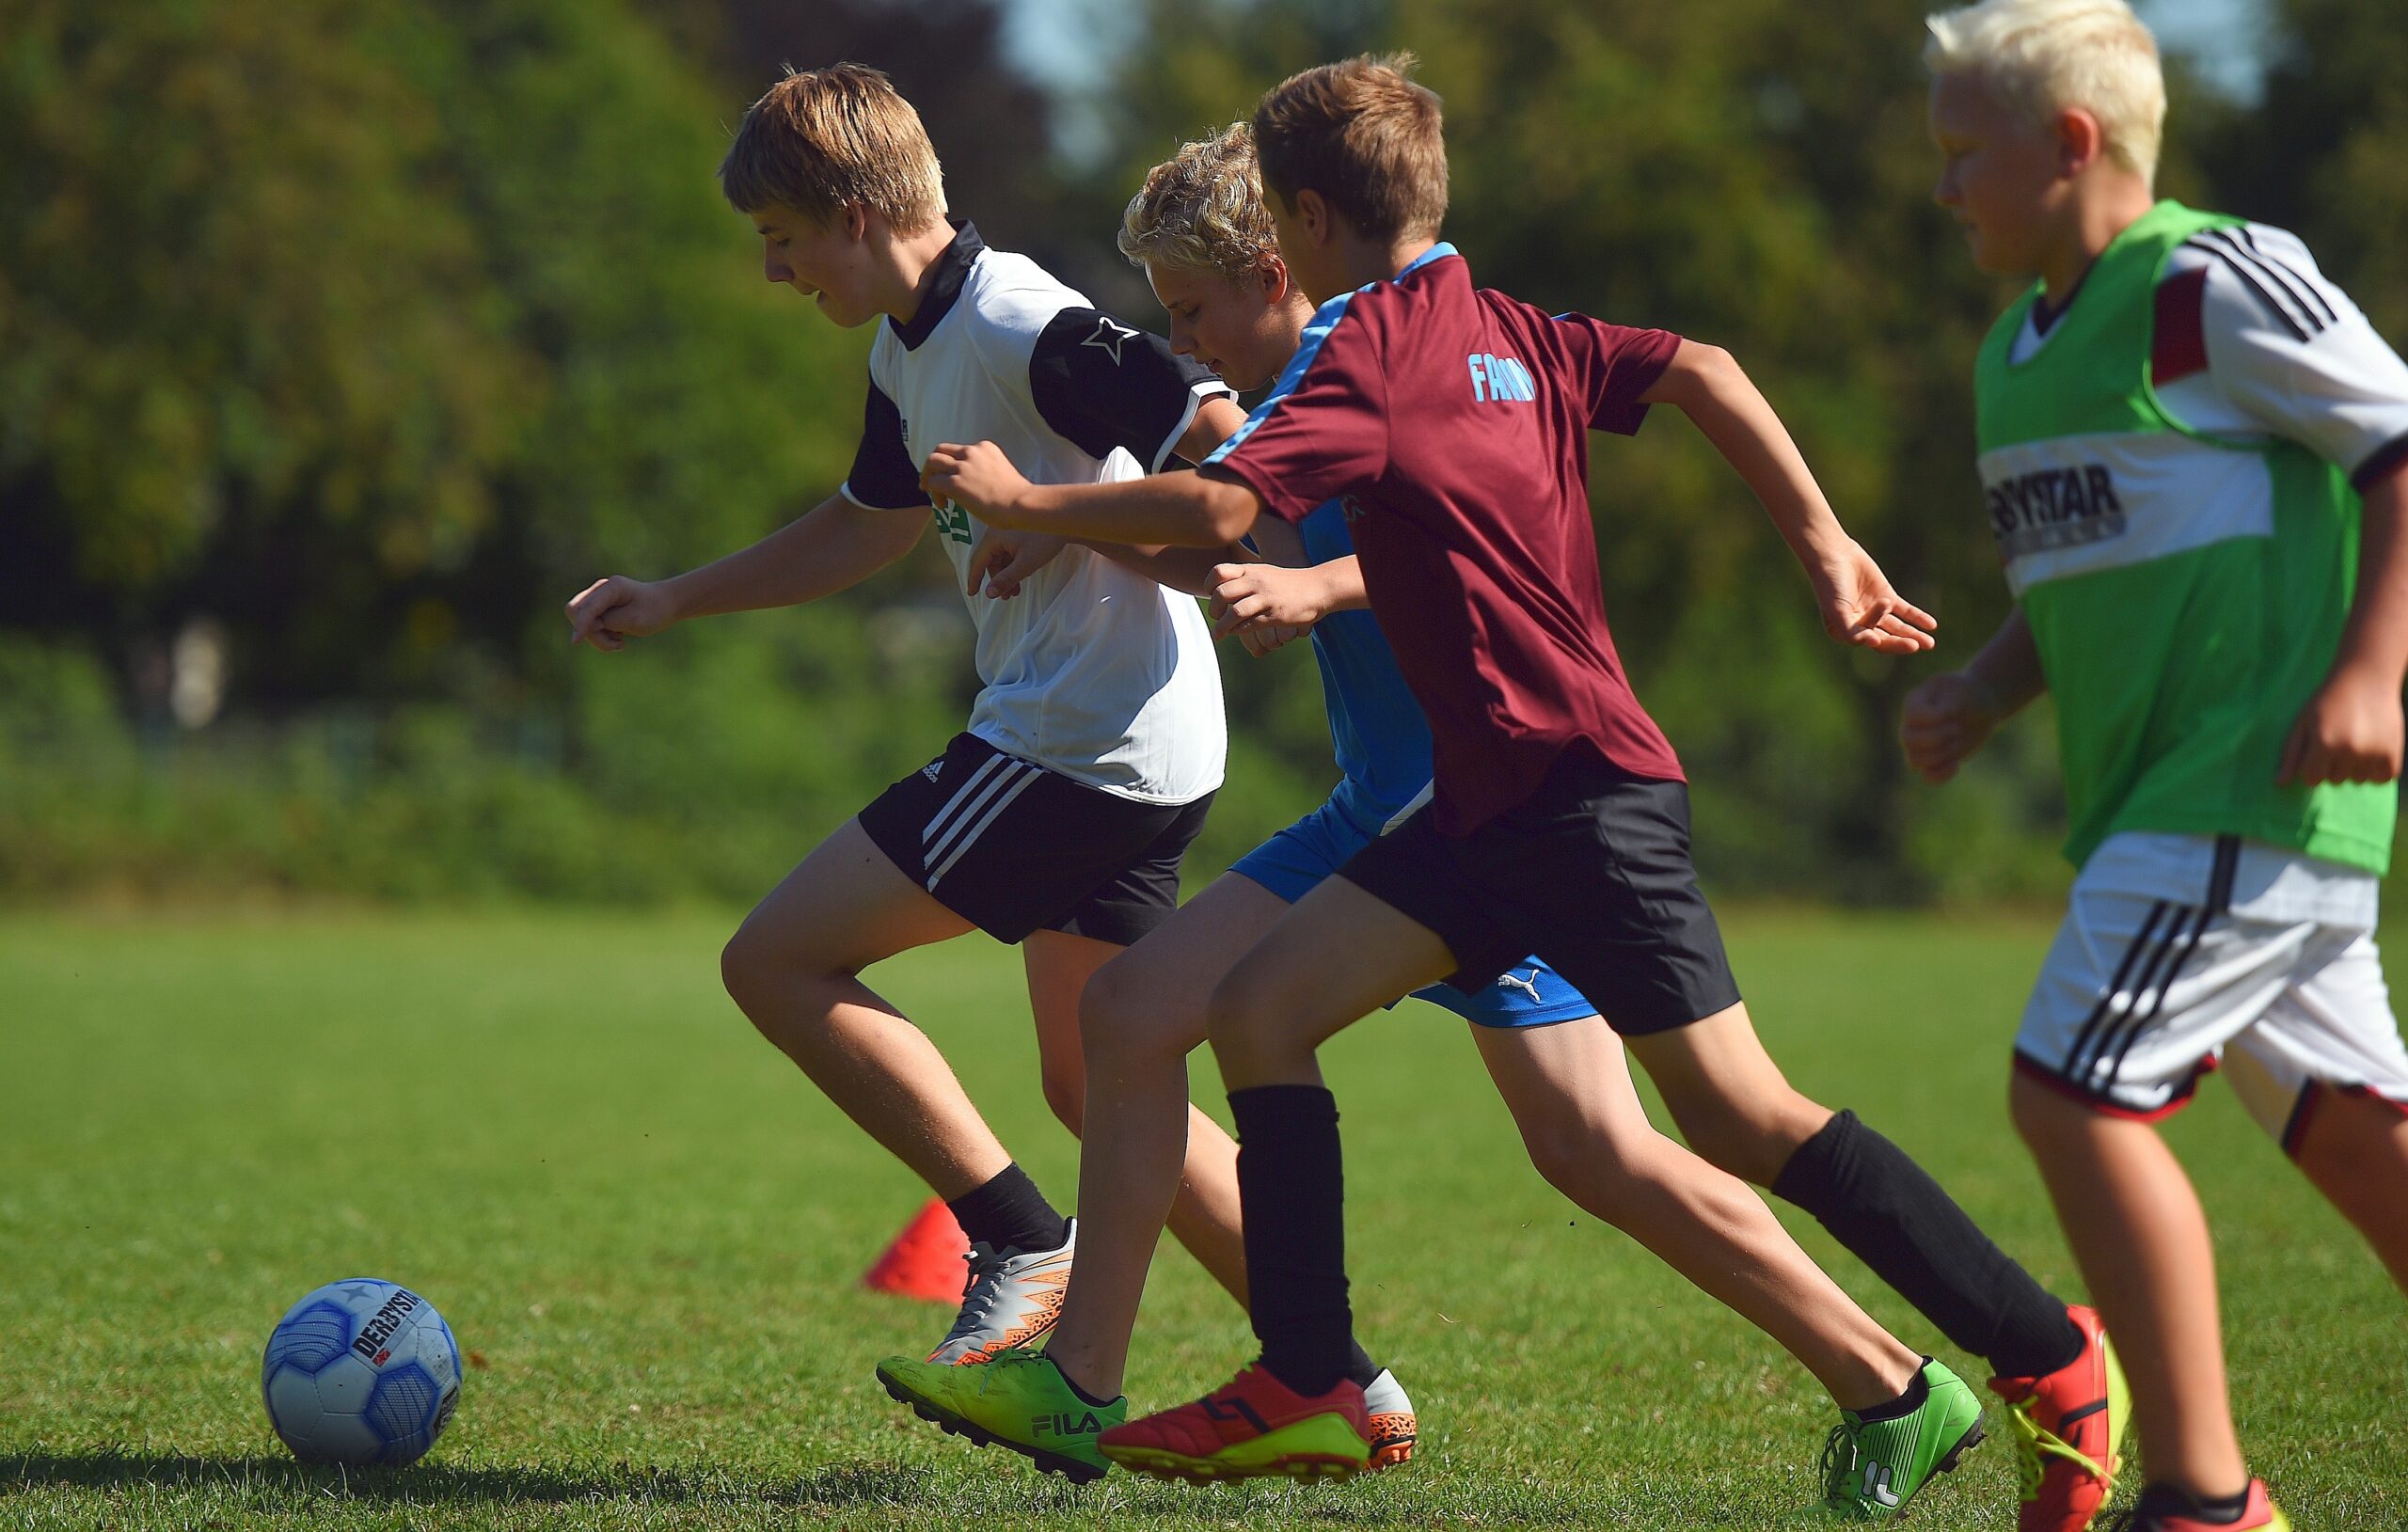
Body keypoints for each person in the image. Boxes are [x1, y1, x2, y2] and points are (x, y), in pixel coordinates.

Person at [925, 55, 2116, 1524]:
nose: (1188, 331)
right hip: (1474, 812)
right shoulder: (1508, 327)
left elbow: (1240, 510)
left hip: (1576, 798)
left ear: (1296, 223)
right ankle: (1309, 1380)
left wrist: (1032, 501)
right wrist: (1824, 545)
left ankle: (2045, 1352)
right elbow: (1706, 370)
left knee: (1728, 1118)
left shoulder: (1365, 347)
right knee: (1259, 1007)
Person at [562, 63, 1269, 1445]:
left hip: (1078, 737)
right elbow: (866, 524)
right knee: (1097, 1083)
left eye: (779, 240)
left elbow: (1217, 436)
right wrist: (678, 594)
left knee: (775, 956)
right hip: (1136, 740)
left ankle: (1016, 1237)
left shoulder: (1017, 316)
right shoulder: (906, 345)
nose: (772, 274)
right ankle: (1333, 1365)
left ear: (851, 209)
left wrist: (1057, 512)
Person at [1909, 4, 2408, 1528]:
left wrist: (2374, 669)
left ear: (2070, 145)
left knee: (2070, 1096)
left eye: (1962, 153)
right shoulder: (2015, 351)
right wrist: (1988, 691)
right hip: (2172, 811)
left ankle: (2201, 1494)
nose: (1946, 191)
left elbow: (2400, 443)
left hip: (2238, 789)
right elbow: (2080, 575)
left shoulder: (2206, 282)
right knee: (2355, 1135)